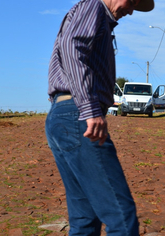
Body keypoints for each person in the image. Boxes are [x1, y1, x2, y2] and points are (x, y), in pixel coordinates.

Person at [45, 0, 154, 235]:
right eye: (132, 1)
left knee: (85, 218)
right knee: (121, 216)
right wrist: (89, 109)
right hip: (77, 115)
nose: (131, 9)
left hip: (64, 113)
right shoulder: (94, 6)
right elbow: (73, 48)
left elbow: (66, 52)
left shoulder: (90, 14)